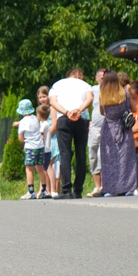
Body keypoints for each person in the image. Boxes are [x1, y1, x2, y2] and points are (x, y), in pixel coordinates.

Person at [49, 68, 93, 199]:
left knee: (65, 154)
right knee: (81, 154)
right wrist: (78, 110)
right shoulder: (85, 85)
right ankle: (78, 190)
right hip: (82, 118)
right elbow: (90, 98)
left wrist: (66, 112)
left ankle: (66, 189)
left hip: (64, 119)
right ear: (78, 74)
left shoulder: (57, 84)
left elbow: (52, 102)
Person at [99, 70, 138, 196]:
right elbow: (134, 109)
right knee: (126, 159)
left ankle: (110, 189)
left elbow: (102, 112)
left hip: (108, 129)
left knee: (109, 159)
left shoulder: (102, 95)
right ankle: (129, 188)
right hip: (124, 128)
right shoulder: (125, 94)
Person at [17, 99, 45, 200]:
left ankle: (31, 192)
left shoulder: (23, 122)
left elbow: (20, 138)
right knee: (40, 168)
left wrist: (24, 141)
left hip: (30, 147)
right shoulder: (35, 118)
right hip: (40, 146)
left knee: (29, 169)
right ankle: (43, 190)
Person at [86, 68, 107, 197]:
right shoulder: (93, 89)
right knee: (93, 155)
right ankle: (97, 186)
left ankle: (105, 186)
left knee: (102, 156)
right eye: (102, 77)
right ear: (97, 78)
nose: (104, 80)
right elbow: (86, 103)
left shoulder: (112, 89)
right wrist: (87, 119)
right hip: (94, 128)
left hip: (107, 128)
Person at [37, 86, 60, 196]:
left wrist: (46, 136)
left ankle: (52, 190)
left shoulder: (52, 109)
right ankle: (45, 190)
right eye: (40, 97)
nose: (42, 99)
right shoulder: (40, 111)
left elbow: (54, 126)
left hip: (52, 140)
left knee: (49, 166)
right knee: (44, 167)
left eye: (44, 96)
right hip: (43, 142)